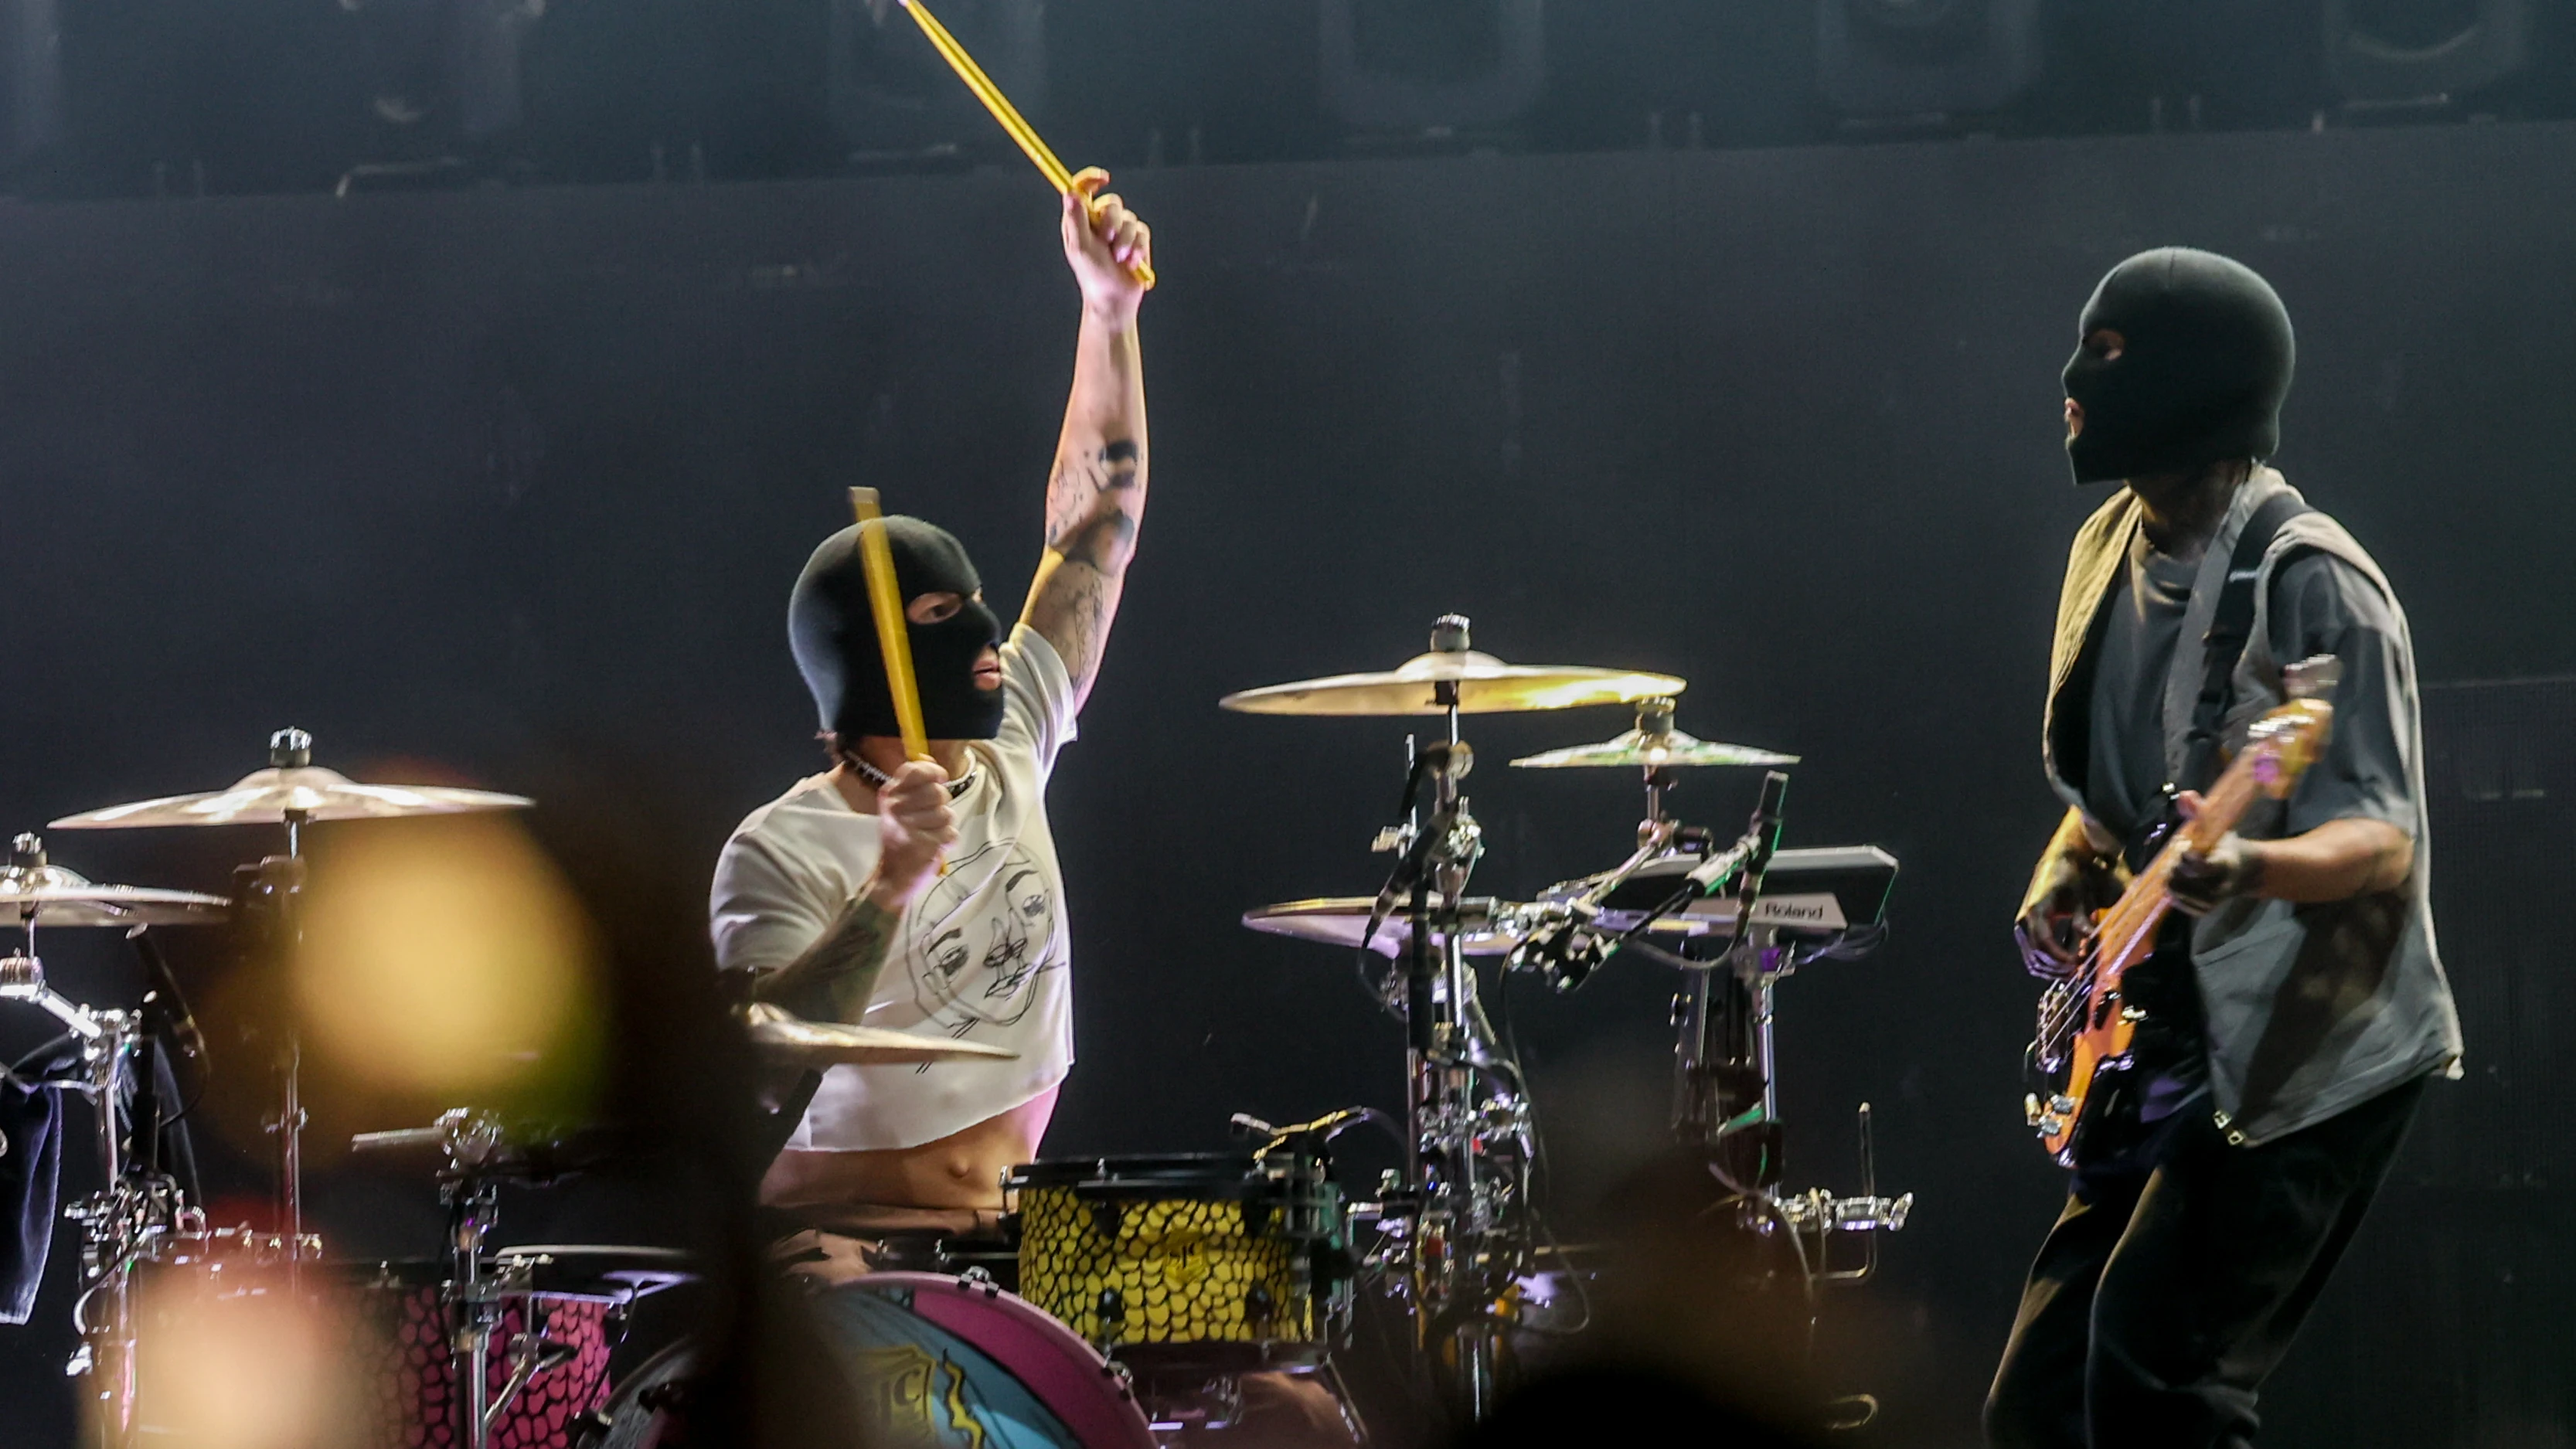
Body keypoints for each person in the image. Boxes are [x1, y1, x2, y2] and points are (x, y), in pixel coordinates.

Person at [1985, 247, 2462, 1449]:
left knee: (2160, 1377)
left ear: (2201, 384)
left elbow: (2380, 843)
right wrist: (2063, 874)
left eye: (2108, 354)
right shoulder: (2105, 548)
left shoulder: (2319, 584)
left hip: (2312, 1045)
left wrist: (2246, 865)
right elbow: (2117, 805)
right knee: (2036, 1409)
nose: (2070, 381)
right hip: (2173, 1034)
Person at [709, 169, 1150, 1225]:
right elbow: (757, 1072)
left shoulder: (1011, 754)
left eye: (984, 604)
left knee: (1285, 1393)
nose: (994, 636)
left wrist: (1108, 312)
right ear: (866, 665)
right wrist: (892, 882)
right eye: (945, 616)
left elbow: (1094, 531)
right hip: (841, 1256)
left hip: (1011, 1245)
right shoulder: (777, 849)